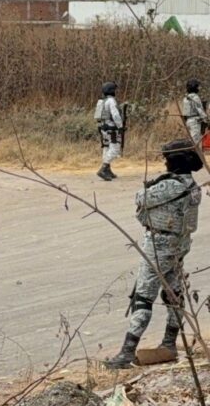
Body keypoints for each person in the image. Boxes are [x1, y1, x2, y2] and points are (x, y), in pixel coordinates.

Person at [104, 139, 203, 369]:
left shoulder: (171, 185)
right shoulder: (192, 185)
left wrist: (156, 183)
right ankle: (169, 343)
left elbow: (140, 197)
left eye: (167, 159)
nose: (165, 162)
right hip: (179, 245)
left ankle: (127, 352)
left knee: (143, 297)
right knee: (173, 296)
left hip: (159, 245)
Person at [95, 82, 124, 181]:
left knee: (106, 147)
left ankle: (108, 170)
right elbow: (115, 115)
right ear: (112, 91)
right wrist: (120, 126)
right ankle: (104, 168)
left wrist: (100, 127)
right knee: (115, 149)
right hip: (112, 129)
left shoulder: (101, 101)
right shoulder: (111, 101)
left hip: (103, 128)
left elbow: (97, 116)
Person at [182, 79, 207, 148]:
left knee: (191, 140)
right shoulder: (195, 97)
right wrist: (206, 120)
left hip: (188, 121)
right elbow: (200, 110)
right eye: (197, 86)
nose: (199, 88)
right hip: (195, 121)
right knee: (195, 143)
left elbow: (184, 112)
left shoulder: (185, 98)